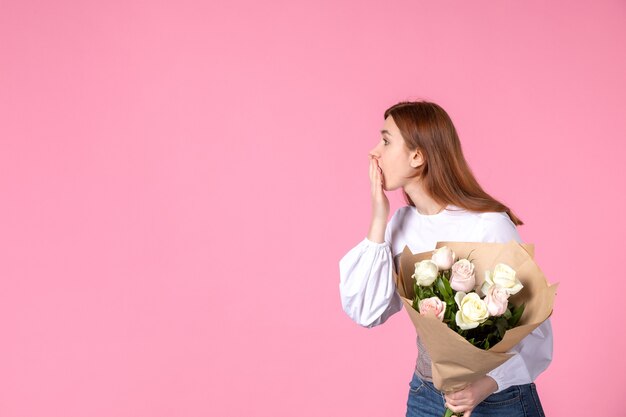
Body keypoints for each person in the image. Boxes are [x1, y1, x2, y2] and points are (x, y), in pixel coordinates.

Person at [338, 101, 552, 417]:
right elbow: (367, 311)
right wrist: (379, 219)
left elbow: (537, 329)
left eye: (385, 141)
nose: (374, 152)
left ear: (417, 156)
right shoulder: (399, 224)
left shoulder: (488, 224)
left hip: (498, 400)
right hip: (426, 396)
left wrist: (485, 385)